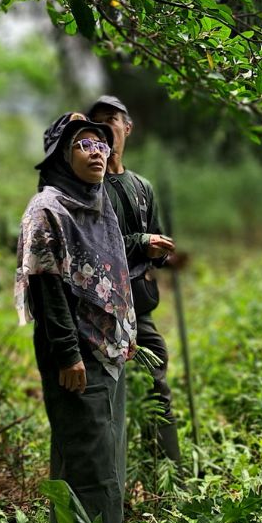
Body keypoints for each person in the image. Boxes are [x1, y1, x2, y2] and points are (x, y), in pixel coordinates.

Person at [17, 112, 137, 523]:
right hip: (75, 353)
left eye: (102, 145)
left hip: (108, 349)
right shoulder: (47, 210)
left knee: (101, 451)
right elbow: (47, 289)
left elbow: (114, 272)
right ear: (62, 156)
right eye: (84, 145)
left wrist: (125, 330)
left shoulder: (100, 205)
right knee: (91, 461)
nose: (96, 153)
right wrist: (68, 354)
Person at [86, 95, 182, 464]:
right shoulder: (87, 186)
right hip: (98, 313)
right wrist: (143, 244)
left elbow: (153, 242)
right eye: (98, 123)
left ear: (128, 127)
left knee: (156, 389)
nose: (106, 128)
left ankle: (167, 477)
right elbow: (92, 249)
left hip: (139, 309)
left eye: (113, 119)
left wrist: (162, 251)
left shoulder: (142, 187)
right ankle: (113, 476)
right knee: (107, 396)